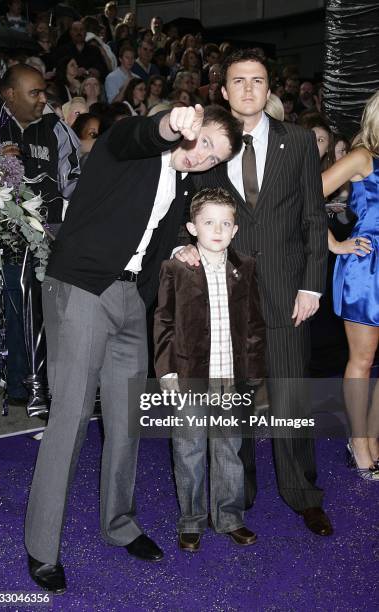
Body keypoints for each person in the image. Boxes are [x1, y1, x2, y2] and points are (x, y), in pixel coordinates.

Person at [24, 103, 243, 593]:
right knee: (71, 419)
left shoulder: (186, 187)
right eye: (203, 141)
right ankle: (42, 547)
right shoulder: (131, 148)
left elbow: (160, 237)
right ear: (192, 126)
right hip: (82, 287)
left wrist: (182, 250)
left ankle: (119, 524)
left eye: (214, 158)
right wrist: (171, 124)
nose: (201, 157)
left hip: (130, 300)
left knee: (126, 422)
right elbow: (138, 135)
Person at [177, 49, 333, 536]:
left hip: (290, 291)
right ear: (223, 91)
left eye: (258, 80)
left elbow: (313, 217)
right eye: (238, 81)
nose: (248, 88)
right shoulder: (208, 145)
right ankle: (235, 495)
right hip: (227, 293)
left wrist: (312, 284)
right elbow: (190, 207)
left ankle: (302, 494)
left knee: (290, 395)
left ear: (270, 90)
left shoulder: (300, 141)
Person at [154, 187, 266, 551]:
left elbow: (253, 327)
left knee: (229, 450)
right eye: (208, 222)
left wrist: (253, 376)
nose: (217, 230)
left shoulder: (245, 268)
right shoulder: (176, 268)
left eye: (225, 223)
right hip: (189, 378)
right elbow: (164, 322)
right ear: (192, 227)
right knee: (188, 451)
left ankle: (230, 517)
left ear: (235, 230)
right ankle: (191, 520)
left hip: (230, 379)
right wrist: (167, 372)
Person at [0, 64, 80, 422]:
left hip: (42, 245)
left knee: (35, 316)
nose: (43, 100)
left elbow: (73, 180)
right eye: (34, 93)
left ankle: (32, 389)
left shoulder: (56, 128)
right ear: (9, 94)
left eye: (44, 92)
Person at [323, 90, 379, 480]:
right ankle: (358, 443)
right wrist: (334, 243)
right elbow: (306, 191)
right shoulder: (363, 157)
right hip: (367, 268)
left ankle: (374, 438)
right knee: (362, 360)